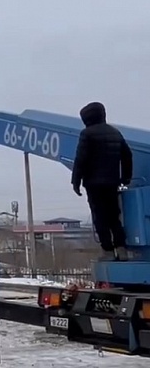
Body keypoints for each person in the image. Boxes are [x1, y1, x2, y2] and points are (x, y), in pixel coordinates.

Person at [71, 101, 133, 261]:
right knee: (114, 216)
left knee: (100, 217)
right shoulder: (115, 132)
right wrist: (125, 178)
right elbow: (127, 156)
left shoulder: (87, 134)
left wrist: (75, 181)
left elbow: (80, 159)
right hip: (112, 183)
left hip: (93, 184)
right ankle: (121, 247)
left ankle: (108, 251)